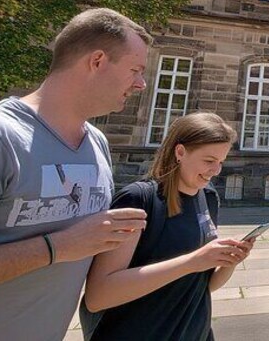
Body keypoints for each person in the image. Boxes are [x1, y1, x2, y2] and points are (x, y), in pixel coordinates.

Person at [0, 8, 152, 341]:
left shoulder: (96, 143)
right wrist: (57, 247)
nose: (141, 84)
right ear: (96, 61)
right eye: (135, 70)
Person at [82, 112, 253, 341]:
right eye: (209, 161)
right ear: (180, 151)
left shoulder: (208, 198)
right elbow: (99, 296)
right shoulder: (139, 200)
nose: (216, 171)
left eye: (221, 162)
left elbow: (203, 286)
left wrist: (229, 262)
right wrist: (193, 261)